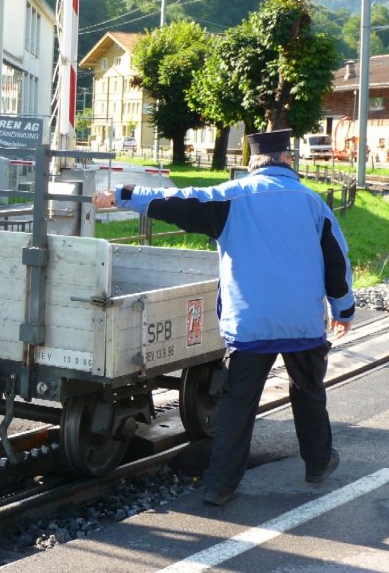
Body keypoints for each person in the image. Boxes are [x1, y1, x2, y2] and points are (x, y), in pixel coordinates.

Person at [92, 129, 355, 506]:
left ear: (253, 164)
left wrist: (122, 195)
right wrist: (343, 309)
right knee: (308, 391)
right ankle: (317, 464)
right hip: (302, 323)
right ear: (286, 159)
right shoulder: (313, 202)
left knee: (237, 404)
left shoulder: (231, 198)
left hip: (250, 324)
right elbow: (337, 262)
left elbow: (176, 201)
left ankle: (219, 485)